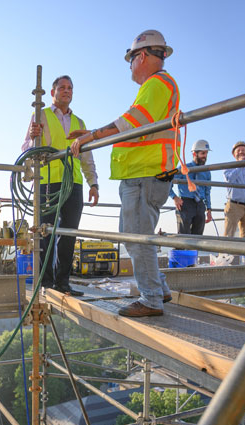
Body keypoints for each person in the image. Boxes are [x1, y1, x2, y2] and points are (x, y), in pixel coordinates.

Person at [70, 30, 178, 317]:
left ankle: (152, 299)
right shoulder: (157, 87)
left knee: (136, 238)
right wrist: (94, 134)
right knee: (140, 236)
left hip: (145, 174)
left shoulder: (157, 84)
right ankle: (160, 289)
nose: (130, 67)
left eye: (130, 60)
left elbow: (131, 123)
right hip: (147, 174)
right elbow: (131, 122)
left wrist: (93, 136)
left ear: (141, 56)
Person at [22, 75, 99, 296]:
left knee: (68, 234)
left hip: (73, 184)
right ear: (53, 91)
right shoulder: (41, 115)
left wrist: (93, 183)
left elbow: (87, 156)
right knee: (45, 234)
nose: (67, 91)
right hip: (48, 183)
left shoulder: (80, 123)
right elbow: (26, 147)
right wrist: (32, 137)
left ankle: (62, 283)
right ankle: (45, 283)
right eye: (62, 88)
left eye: (70, 88)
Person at [170, 139, 212, 235]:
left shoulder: (207, 172)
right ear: (194, 154)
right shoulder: (183, 168)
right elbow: (168, 182)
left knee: (197, 237)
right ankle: (181, 250)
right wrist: (175, 197)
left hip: (200, 205)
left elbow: (207, 192)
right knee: (183, 236)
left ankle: (193, 250)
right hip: (185, 203)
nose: (205, 156)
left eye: (206, 154)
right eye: (202, 153)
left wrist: (209, 209)